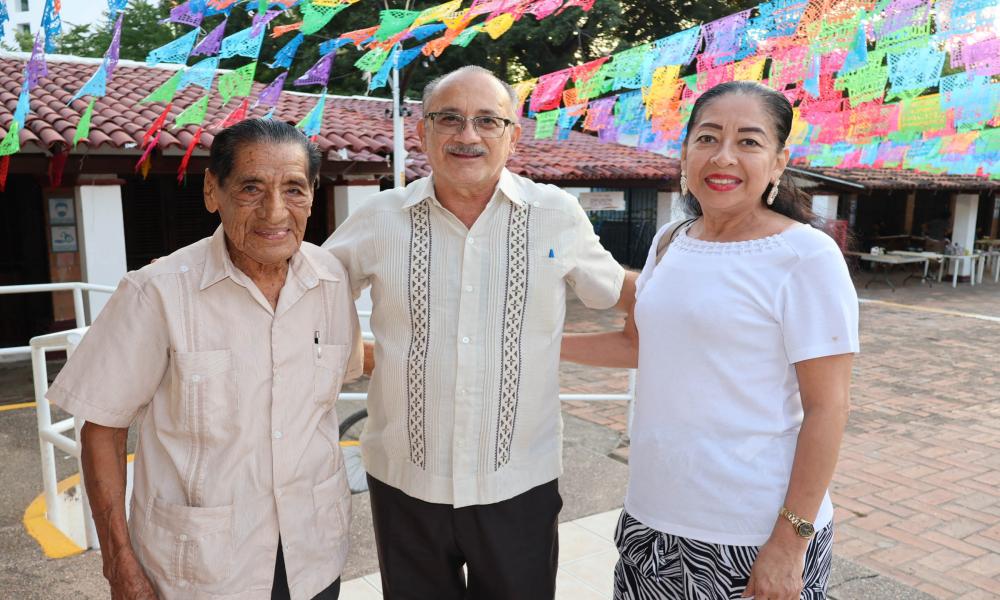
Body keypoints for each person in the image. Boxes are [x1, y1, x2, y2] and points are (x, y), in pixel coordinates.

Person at [323, 66, 630, 599]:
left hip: (517, 483)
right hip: (405, 483)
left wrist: (702, 281)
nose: (468, 135)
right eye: (449, 119)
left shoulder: (555, 213)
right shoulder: (380, 218)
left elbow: (615, 291)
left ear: (512, 135)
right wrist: (359, 356)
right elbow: (310, 297)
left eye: (488, 120)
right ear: (422, 132)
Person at [562, 81, 859, 600]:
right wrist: (535, 346)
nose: (724, 157)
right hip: (652, 517)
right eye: (707, 138)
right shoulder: (671, 240)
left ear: (778, 161)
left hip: (749, 533)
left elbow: (827, 408)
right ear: (685, 152)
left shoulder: (805, 257)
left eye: (748, 141)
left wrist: (789, 544)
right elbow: (641, 346)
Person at [47, 119, 362, 600]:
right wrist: (119, 565)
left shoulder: (332, 282)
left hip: (313, 554)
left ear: (314, 193)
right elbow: (102, 428)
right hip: (200, 571)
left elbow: (341, 375)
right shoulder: (156, 292)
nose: (275, 211)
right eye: (251, 188)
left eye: (294, 189)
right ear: (213, 191)